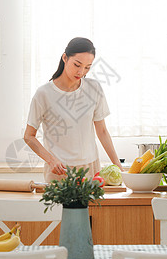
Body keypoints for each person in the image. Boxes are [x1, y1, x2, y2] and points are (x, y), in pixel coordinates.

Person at [24, 37, 123, 182]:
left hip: (91, 168)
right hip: (60, 170)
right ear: (65, 57)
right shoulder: (44, 94)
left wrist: (118, 165)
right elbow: (29, 136)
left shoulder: (93, 88)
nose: (81, 71)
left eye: (87, 67)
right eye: (77, 65)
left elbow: (102, 131)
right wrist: (51, 160)